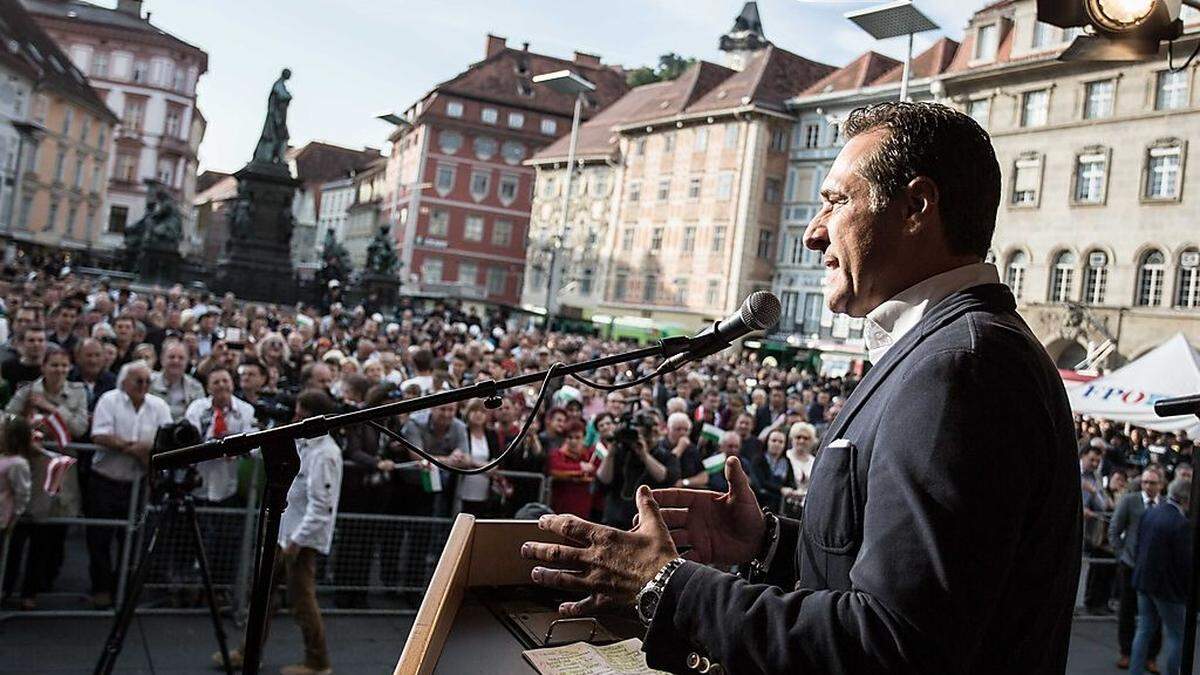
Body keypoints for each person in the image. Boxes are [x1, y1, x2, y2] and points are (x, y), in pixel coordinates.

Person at [521, 102, 1080, 673]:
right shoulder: (946, 350)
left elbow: (893, 647)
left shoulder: (960, 368)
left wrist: (669, 586)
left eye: (836, 202)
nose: (814, 234)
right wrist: (770, 544)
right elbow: (900, 586)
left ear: (916, 205)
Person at [219, 390, 341, 675]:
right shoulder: (306, 444)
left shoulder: (326, 454)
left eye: (301, 412)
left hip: (300, 541)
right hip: (283, 535)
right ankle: (249, 651)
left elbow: (322, 505)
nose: (295, 416)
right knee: (261, 595)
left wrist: (296, 542)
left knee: (302, 602)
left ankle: (318, 661)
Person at [88, 361, 172, 609]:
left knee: (133, 537)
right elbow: (100, 434)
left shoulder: (159, 405)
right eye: (138, 381)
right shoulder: (109, 400)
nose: (144, 386)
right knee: (99, 537)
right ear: (124, 381)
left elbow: (166, 438)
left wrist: (144, 451)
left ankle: (122, 587)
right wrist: (134, 449)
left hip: (138, 484)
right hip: (105, 481)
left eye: (147, 381)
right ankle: (100, 587)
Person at [1130, 478, 1192, 675]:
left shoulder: (1152, 512)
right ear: (1186, 499)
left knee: (1144, 629)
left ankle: (1135, 671)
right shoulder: (1181, 523)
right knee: (1178, 636)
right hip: (1167, 588)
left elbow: (1139, 543)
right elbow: (1184, 561)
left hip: (1144, 580)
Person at [1110, 467, 1164, 671]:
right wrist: (1122, 555)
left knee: (1155, 614)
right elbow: (1115, 529)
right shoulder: (1130, 501)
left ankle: (1151, 656)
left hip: (1155, 570)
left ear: (1161, 485)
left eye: (1152, 483)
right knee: (1127, 610)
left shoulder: (1165, 505)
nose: (1148, 486)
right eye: (1145, 482)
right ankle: (1126, 652)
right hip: (1131, 565)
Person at [547, 420, 594, 518]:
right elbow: (555, 470)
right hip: (560, 510)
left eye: (577, 438)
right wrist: (580, 468)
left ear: (584, 438)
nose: (573, 441)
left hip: (584, 511)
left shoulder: (589, 455)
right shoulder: (557, 454)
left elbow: (595, 472)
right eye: (570, 437)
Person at [151, 340, 205, 421]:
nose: (176, 361)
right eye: (171, 357)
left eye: (181, 358)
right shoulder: (148, 383)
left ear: (187, 362)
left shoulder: (196, 387)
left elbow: (200, 416)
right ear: (162, 359)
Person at [751, 429, 795, 511]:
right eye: (774, 441)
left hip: (780, 505)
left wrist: (792, 491)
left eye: (781, 442)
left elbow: (791, 482)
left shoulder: (787, 462)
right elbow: (761, 483)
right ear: (767, 442)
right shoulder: (758, 459)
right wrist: (780, 489)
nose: (777, 444)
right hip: (761, 502)